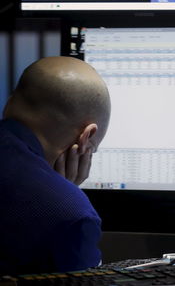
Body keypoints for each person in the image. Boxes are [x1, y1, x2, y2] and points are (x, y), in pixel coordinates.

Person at [0, 56, 111, 274]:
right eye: (92, 150)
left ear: (9, 103)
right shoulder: (70, 215)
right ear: (86, 137)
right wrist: (64, 193)